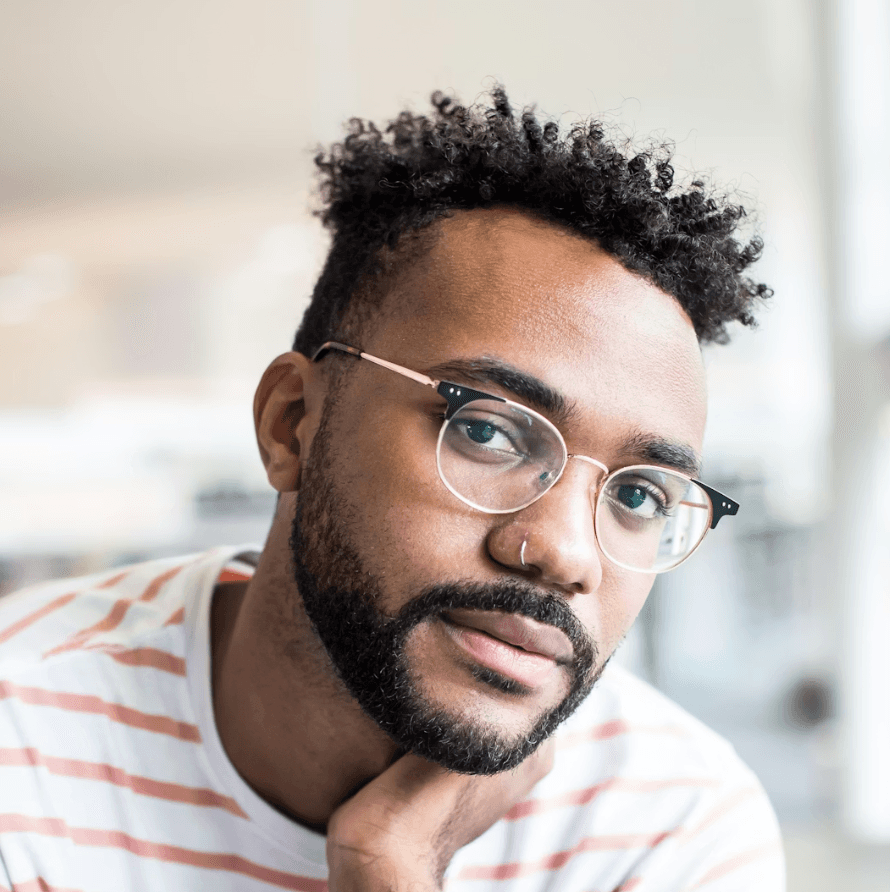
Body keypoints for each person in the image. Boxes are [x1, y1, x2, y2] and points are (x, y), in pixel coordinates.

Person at [0, 88, 784, 890]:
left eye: (640, 496)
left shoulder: (675, 825)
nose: (564, 553)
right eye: (487, 430)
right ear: (290, 423)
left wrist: (391, 870)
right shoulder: (21, 732)